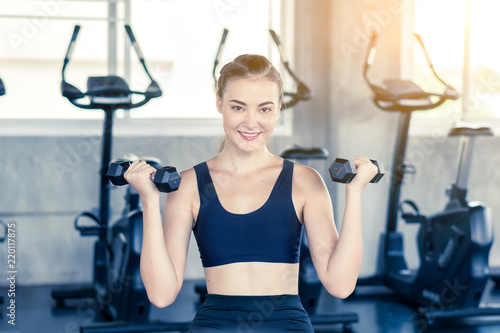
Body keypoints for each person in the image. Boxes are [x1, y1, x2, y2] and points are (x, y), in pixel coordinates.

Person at [123, 54, 378, 332]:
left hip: (286, 324)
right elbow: (161, 295)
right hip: (215, 325)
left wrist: (354, 193)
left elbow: (340, 285)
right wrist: (149, 201)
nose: (251, 122)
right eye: (238, 107)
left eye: (264, 109)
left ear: (278, 109)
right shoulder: (188, 186)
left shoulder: (304, 182)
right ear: (219, 103)